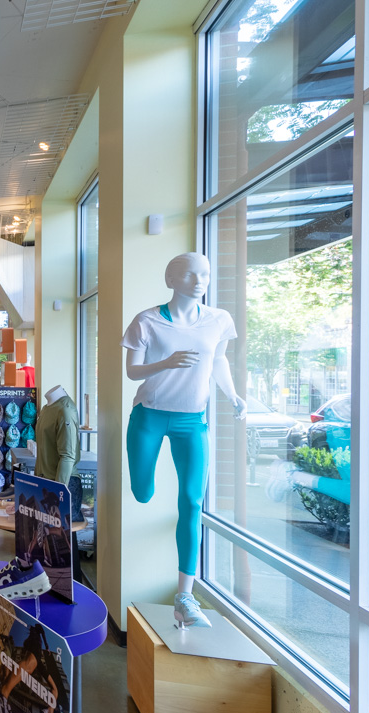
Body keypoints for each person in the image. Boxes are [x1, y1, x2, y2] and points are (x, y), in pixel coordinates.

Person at [122, 253, 246, 630]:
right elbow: (131, 372)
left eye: (205, 274)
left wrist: (233, 394)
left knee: (192, 502)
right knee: (143, 492)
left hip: (193, 422)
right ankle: (183, 597)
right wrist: (166, 362)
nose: (199, 280)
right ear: (171, 279)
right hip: (150, 416)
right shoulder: (148, 320)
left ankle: (184, 597)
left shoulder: (218, 320)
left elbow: (219, 360)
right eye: (191, 274)